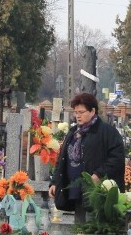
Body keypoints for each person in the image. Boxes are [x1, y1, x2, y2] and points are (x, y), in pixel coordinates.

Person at [50, 93, 125, 222]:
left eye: (81, 112)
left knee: (93, 230)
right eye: (75, 112)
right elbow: (62, 159)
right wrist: (55, 182)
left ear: (92, 111)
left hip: (97, 193)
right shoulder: (73, 132)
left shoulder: (106, 132)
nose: (77, 115)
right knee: (79, 231)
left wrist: (99, 174)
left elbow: (116, 158)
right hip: (75, 191)